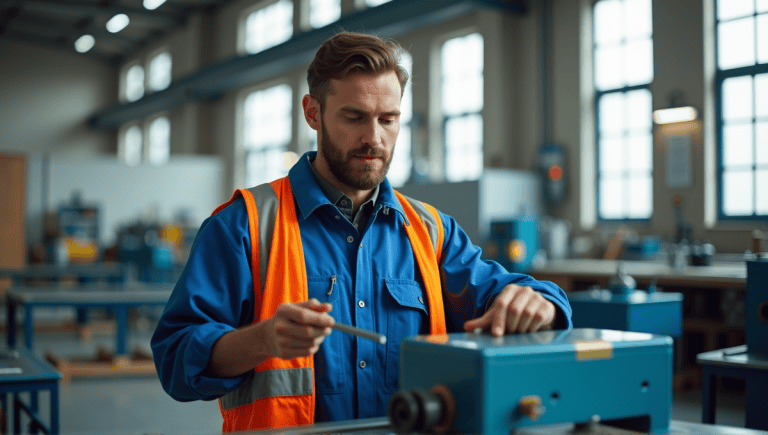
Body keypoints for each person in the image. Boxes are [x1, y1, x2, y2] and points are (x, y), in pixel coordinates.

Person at [151, 31, 572, 432]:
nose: (374, 138)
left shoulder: (429, 232)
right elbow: (175, 359)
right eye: (354, 117)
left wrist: (539, 304)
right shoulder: (245, 226)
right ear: (312, 112)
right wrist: (261, 341)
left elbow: (513, 294)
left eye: (388, 119)